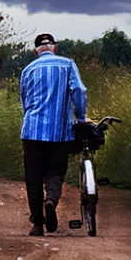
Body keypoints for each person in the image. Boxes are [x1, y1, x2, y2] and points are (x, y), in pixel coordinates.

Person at [19, 33, 88, 237]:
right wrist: (81, 117)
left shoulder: (27, 70)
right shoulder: (67, 65)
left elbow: (24, 101)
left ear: (36, 51)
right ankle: (50, 200)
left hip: (31, 131)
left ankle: (38, 224)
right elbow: (79, 91)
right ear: (54, 48)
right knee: (55, 171)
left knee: (33, 177)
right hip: (59, 132)